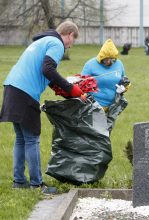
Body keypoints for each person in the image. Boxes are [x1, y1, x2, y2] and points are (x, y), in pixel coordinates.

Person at [0, 20, 84, 194]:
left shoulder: (42, 41)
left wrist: (58, 87)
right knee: (32, 139)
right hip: (25, 93)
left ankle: (19, 182)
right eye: (72, 40)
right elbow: (48, 69)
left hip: (11, 88)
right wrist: (71, 88)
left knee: (21, 139)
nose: (70, 45)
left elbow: (43, 71)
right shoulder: (56, 43)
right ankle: (37, 185)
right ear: (69, 35)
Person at [81, 38, 130, 112]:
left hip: (113, 106)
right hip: (95, 106)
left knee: (109, 124)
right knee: (99, 123)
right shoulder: (90, 65)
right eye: (105, 59)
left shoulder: (119, 64)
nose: (108, 61)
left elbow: (125, 80)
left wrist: (124, 88)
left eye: (110, 59)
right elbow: (81, 83)